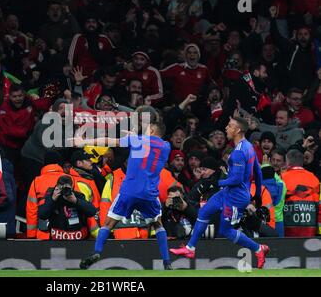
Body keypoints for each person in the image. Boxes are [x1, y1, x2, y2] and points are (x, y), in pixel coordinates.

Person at [170, 116, 270, 269]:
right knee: (203, 212)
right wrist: (257, 194)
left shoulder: (238, 152)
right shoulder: (249, 146)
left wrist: (217, 182)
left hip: (236, 197)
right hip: (230, 192)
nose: (226, 128)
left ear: (237, 130)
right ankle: (190, 249)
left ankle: (258, 249)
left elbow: (236, 179)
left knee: (226, 230)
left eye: (229, 126)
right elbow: (257, 170)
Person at [77, 121, 172, 270]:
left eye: (146, 130)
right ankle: (167, 263)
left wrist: (84, 141)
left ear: (152, 130)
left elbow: (109, 141)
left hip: (129, 191)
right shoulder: (166, 146)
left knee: (108, 224)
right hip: (149, 194)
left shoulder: (138, 140)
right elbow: (148, 149)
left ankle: (96, 252)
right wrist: (136, 137)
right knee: (158, 224)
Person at [38, 175, 97, 240]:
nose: (65, 191)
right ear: (57, 187)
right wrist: (52, 199)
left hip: (78, 241)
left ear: (72, 188)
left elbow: (92, 212)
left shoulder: (77, 196)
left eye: (67, 189)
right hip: (57, 241)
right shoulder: (52, 196)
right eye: (62, 189)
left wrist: (76, 201)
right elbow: (42, 215)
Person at [281, 149, 320, 237]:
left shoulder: (282, 179)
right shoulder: (314, 179)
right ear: (302, 162)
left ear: (288, 162)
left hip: (287, 233)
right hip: (311, 232)